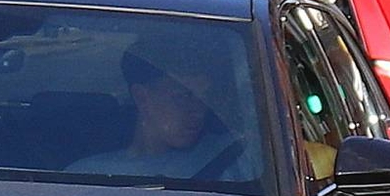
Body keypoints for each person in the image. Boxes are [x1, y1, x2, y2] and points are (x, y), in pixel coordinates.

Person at [70, 30, 254, 182]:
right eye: (183, 97)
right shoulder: (87, 174)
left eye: (204, 98)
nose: (198, 111)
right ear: (142, 97)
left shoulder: (236, 158)